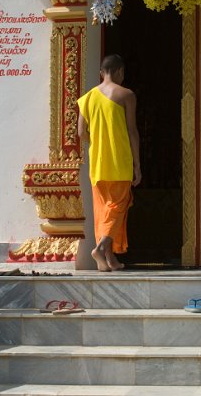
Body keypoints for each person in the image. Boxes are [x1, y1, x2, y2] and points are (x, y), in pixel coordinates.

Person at [77, 54, 142, 271]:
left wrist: (98, 141)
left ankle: (109, 260)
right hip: (119, 160)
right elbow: (132, 132)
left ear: (101, 73)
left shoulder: (87, 98)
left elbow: (80, 133)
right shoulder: (126, 94)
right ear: (120, 71)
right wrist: (137, 165)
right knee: (118, 206)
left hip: (97, 164)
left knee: (104, 210)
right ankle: (101, 246)